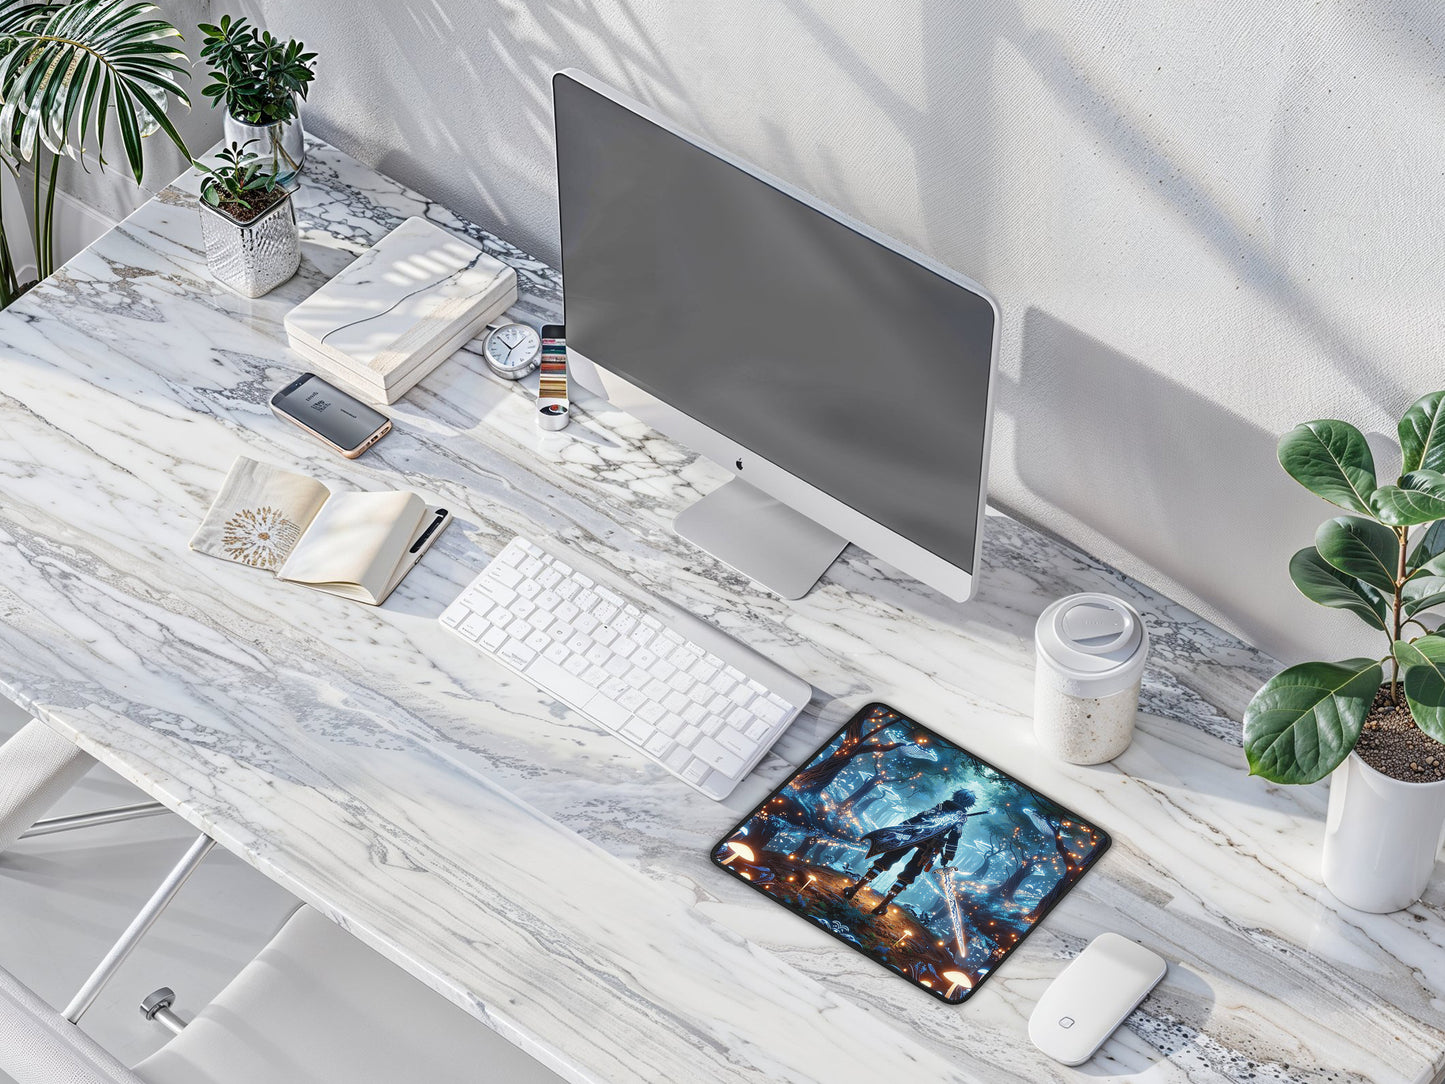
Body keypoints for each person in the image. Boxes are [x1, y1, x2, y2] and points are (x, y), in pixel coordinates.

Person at [842, 789, 988, 916]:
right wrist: (948, 855)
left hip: (913, 835)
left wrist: (900, 828)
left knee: (885, 861)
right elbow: (955, 835)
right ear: (969, 804)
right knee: (909, 874)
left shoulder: (942, 806)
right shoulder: (960, 816)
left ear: (956, 796)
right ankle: (882, 906)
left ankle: (855, 889)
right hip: (929, 846)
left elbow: (920, 817)